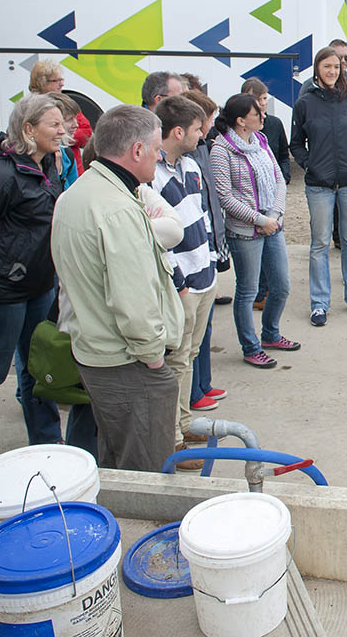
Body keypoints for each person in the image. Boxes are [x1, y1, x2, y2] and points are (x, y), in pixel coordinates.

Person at [51, 105, 185, 472]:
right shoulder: (117, 210)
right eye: (156, 149)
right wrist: (153, 357)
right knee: (145, 471)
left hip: (96, 355)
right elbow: (133, 300)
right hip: (128, 363)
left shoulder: (77, 194)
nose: (159, 157)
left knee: (115, 457)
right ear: (137, 150)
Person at [0, 94, 96, 453]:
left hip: (41, 286)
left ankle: (46, 441)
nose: (63, 130)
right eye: (54, 124)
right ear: (28, 129)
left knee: (39, 369)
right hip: (5, 293)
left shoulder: (48, 164)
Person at [150, 95, 221, 469]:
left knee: (189, 355)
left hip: (204, 276)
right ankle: (172, 439)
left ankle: (183, 422)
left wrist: (210, 262)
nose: (202, 134)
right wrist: (178, 280)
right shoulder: (152, 175)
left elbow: (202, 216)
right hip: (182, 285)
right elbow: (156, 238)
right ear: (177, 132)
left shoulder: (191, 165)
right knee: (175, 358)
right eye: (197, 129)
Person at [289, 46, 347, 326]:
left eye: (336, 66)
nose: (332, 71)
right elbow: (296, 144)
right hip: (319, 185)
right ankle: (319, 304)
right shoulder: (305, 103)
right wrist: (310, 164)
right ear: (317, 68)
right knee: (320, 243)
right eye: (326, 66)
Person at [211, 93, 297, 362]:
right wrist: (261, 221)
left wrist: (274, 215)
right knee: (247, 291)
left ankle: (270, 334)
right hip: (245, 232)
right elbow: (225, 198)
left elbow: (278, 179)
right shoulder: (220, 150)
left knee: (281, 286)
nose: (263, 116)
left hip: (273, 225)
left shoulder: (260, 140)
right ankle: (250, 348)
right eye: (257, 113)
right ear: (240, 120)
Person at [183, 89, 229, 413]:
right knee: (190, 335)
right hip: (189, 260)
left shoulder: (201, 149)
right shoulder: (190, 156)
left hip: (206, 248)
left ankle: (204, 383)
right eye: (204, 123)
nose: (208, 129)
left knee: (204, 326)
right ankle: (193, 392)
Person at [242, 77, 289, 311]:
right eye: (256, 99)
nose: (261, 104)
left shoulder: (274, 124)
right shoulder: (234, 137)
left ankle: (269, 290)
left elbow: (283, 156)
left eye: (263, 99)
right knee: (256, 257)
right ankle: (260, 293)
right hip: (251, 210)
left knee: (275, 256)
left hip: (273, 203)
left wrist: (284, 178)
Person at [30, 60, 91, 173]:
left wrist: (65, 138)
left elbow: (86, 131)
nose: (61, 84)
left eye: (61, 80)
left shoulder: (65, 103)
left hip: (73, 167)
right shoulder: (30, 107)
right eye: (56, 80)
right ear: (42, 82)